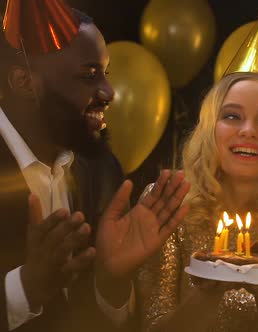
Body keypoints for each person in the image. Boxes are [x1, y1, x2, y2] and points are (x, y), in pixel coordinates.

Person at [0, 3, 189, 331]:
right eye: (89, 75)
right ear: (25, 82)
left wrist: (111, 281)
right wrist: (25, 290)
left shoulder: (101, 169)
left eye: (106, 73)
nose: (109, 92)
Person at [136, 71, 258, 332]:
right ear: (210, 128)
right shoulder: (171, 201)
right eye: (232, 116)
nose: (249, 131)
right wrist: (208, 292)